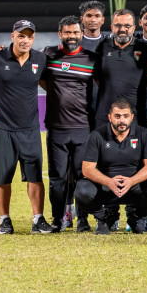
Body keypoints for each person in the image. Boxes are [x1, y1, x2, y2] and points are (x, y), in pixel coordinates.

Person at [0, 19, 51, 234]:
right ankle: (4, 219)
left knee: (34, 175)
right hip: (2, 128)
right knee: (3, 176)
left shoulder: (40, 59)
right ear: (12, 36)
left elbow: (44, 81)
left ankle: (38, 219)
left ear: (34, 38)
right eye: (21, 36)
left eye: (29, 36)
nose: (25, 40)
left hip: (30, 128)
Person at [41, 15, 96, 232]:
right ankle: (58, 219)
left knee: (83, 176)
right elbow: (39, 77)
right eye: (67, 32)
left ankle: (82, 219)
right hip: (56, 128)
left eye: (75, 32)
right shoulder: (48, 54)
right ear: (60, 34)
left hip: (83, 127)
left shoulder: (92, 58)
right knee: (57, 179)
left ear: (81, 34)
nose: (71, 36)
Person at [75, 98, 147, 233]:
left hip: (134, 186)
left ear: (132, 117)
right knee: (82, 190)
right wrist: (108, 182)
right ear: (110, 117)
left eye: (126, 116)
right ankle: (104, 218)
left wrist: (132, 181)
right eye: (117, 116)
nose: (122, 120)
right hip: (107, 187)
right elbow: (87, 169)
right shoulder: (96, 135)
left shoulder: (144, 134)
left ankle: (136, 217)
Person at [93, 9, 147, 128]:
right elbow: (97, 78)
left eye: (127, 26)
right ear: (112, 27)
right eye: (118, 25)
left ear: (134, 28)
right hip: (105, 116)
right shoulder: (102, 46)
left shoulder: (145, 49)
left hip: (135, 116)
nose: (123, 29)